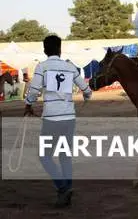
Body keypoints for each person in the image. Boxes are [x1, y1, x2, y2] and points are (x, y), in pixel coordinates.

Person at [24, 35, 92, 208]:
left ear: (45, 50)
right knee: (64, 156)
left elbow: (33, 90)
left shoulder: (42, 67)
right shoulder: (70, 67)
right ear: (60, 49)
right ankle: (66, 190)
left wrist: (28, 105)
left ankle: (63, 188)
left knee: (45, 156)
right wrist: (86, 96)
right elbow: (86, 90)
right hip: (69, 118)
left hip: (51, 119)